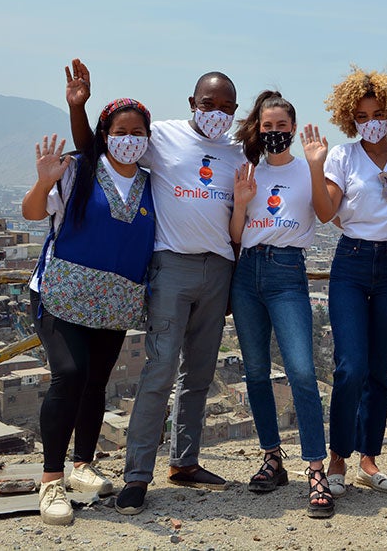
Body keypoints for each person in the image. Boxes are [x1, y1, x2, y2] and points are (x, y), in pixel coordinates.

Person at [64, 58, 245, 515]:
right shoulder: (161, 136)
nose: (217, 112)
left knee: (200, 374)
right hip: (171, 266)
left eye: (227, 106)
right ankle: (137, 476)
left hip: (219, 268)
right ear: (192, 103)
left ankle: (184, 462)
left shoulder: (237, 151)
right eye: (209, 103)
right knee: (159, 370)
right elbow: (98, 152)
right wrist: (79, 109)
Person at [22, 90, 156, 525]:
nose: (129, 139)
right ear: (105, 135)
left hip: (113, 304)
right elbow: (31, 212)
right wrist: (43, 181)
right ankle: (50, 481)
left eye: (138, 133)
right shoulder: (78, 171)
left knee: (97, 381)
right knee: (71, 375)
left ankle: (82, 466)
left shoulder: (151, 185)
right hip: (61, 295)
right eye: (121, 132)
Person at [304, 66, 387, 497]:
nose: (371, 121)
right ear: (350, 120)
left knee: (379, 369)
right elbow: (323, 211)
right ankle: (338, 456)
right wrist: (316, 168)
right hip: (351, 262)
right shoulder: (342, 157)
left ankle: (369, 460)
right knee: (349, 367)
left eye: (378, 113)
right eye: (361, 116)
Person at [229, 91, 333, 518]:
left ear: (293, 128)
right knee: (255, 371)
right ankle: (272, 458)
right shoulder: (247, 168)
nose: (274, 132)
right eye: (267, 126)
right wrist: (240, 201)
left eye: (281, 126)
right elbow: (237, 234)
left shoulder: (307, 171)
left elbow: (326, 216)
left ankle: (316, 470)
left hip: (287, 271)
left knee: (302, 372)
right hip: (246, 272)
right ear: (258, 128)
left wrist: (317, 165)